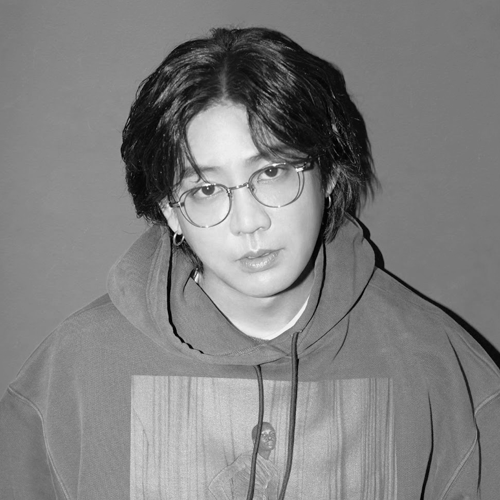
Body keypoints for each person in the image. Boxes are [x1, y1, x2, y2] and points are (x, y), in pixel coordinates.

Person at [0, 26, 499, 500]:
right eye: (206, 189)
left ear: (327, 174)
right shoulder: (76, 370)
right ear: (170, 211)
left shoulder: (436, 364)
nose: (248, 221)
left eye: (273, 171)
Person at [209, 422, 280, 500]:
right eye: (264, 435)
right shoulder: (246, 460)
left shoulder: (273, 469)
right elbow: (215, 485)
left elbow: (273, 497)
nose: (269, 438)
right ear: (255, 441)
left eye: (272, 434)